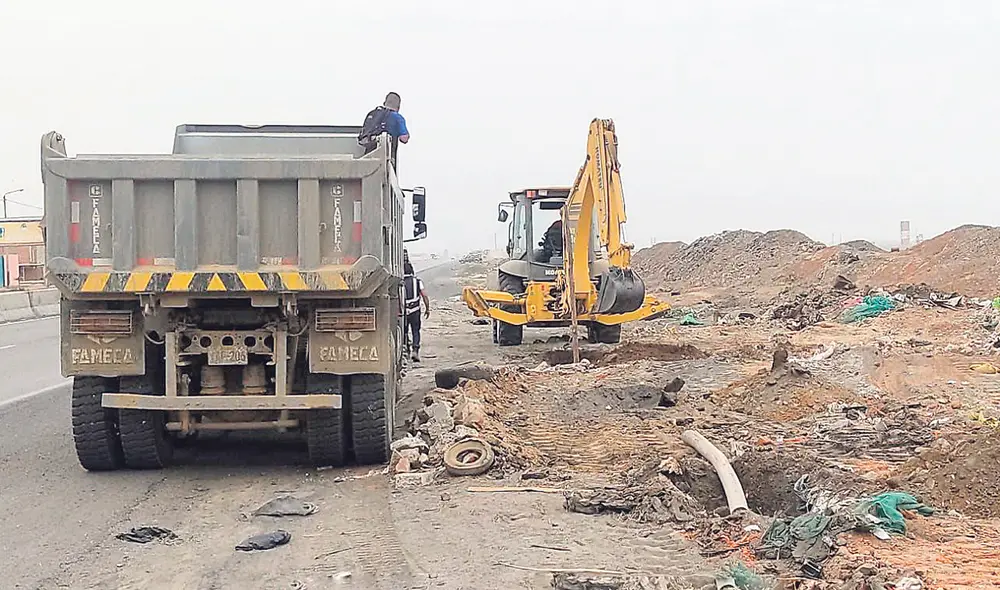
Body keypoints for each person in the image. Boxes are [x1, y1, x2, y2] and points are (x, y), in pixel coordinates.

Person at [403, 261, 430, 362]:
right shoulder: (417, 281)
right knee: (415, 331)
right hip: (415, 310)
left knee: (404, 332)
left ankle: (405, 350)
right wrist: (427, 308)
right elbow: (424, 295)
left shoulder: (400, 282)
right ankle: (415, 350)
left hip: (404, 312)